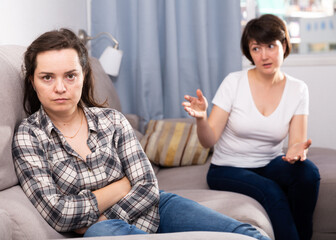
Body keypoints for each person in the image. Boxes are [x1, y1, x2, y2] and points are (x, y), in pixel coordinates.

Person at [11, 28, 270, 239]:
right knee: (100, 233)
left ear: (84, 76)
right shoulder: (29, 136)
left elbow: (147, 185)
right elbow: (59, 214)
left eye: (70, 76)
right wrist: (122, 185)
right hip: (106, 232)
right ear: (32, 81)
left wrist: (97, 216)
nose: (60, 88)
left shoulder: (112, 120)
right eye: (47, 77)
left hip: (156, 208)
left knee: (248, 234)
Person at [182, 14, 320, 240]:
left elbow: (296, 141)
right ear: (249, 52)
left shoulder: (298, 89)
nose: (264, 55)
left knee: (309, 174)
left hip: (270, 164)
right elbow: (208, 140)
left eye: (270, 46)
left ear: (283, 46)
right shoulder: (233, 82)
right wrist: (201, 119)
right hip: (227, 168)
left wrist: (297, 151)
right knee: (272, 192)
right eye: (256, 48)